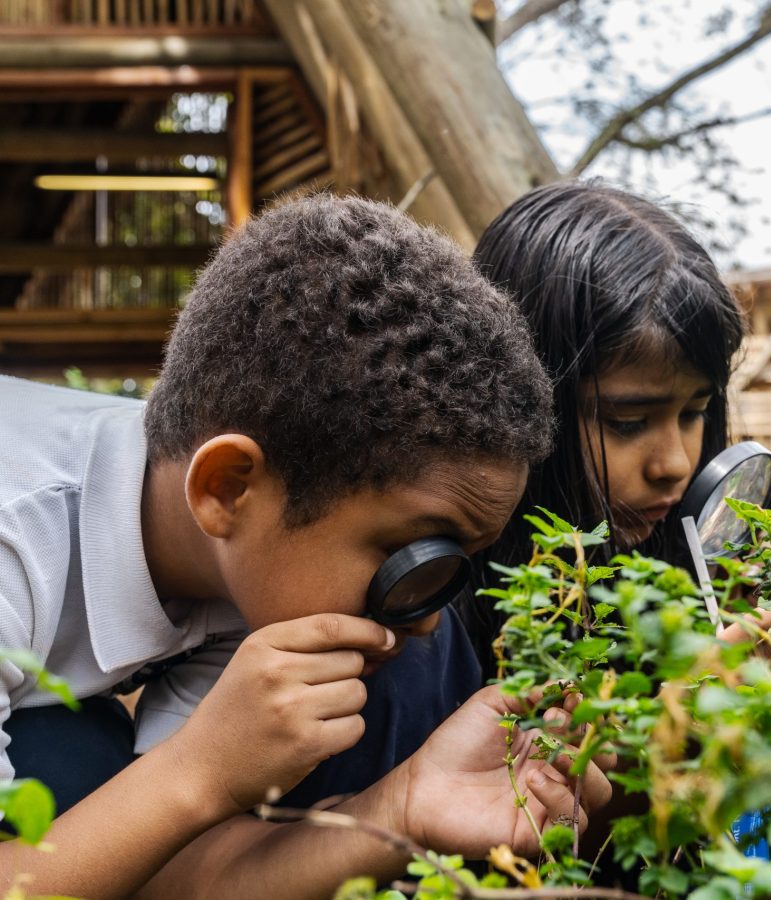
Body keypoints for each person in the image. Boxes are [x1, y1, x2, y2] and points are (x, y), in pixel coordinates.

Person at [0, 194, 611, 898]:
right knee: (76, 760)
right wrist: (197, 772)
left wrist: (403, 805)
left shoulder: (245, 562)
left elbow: (166, 874)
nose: (426, 619)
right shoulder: (21, 540)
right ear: (228, 487)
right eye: (410, 557)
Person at [457, 181, 749, 674]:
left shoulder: (698, 590)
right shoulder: (433, 629)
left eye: (694, 413)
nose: (675, 464)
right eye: (628, 422)